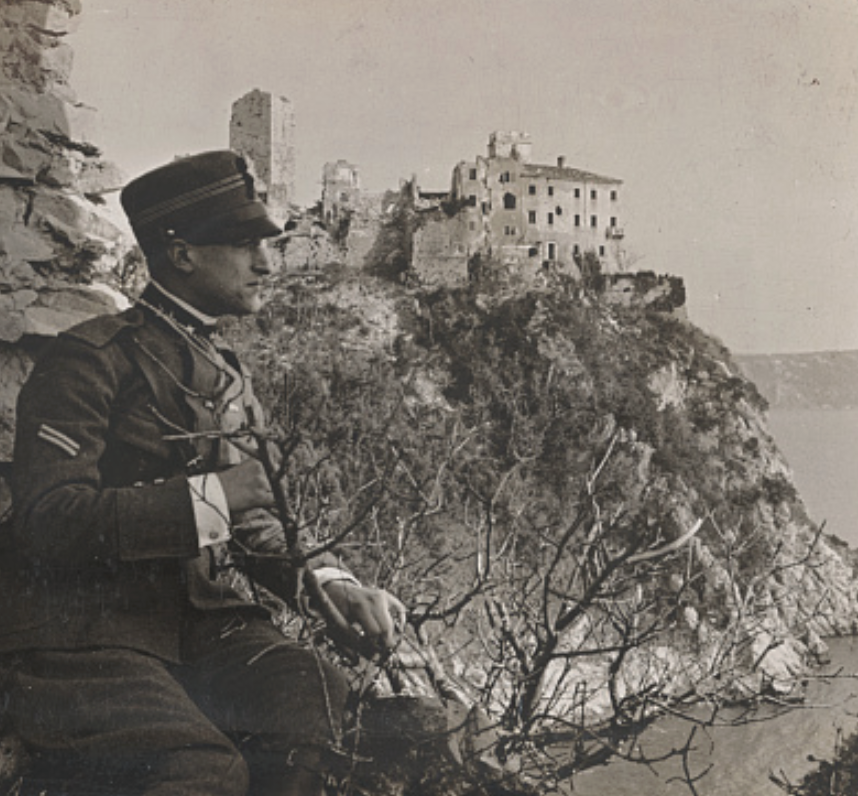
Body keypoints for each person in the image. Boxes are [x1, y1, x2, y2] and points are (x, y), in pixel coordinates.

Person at [0, 150, 406, 796]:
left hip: (207, 628)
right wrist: (210, 501)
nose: (267, 264)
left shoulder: (228, 373)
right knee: (199, 771)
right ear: (181, 252)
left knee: (319, 707)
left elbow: (258, 524)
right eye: (244, 245)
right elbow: (47, 519)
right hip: (86, 636)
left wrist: (334, 586)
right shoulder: (88, 359)